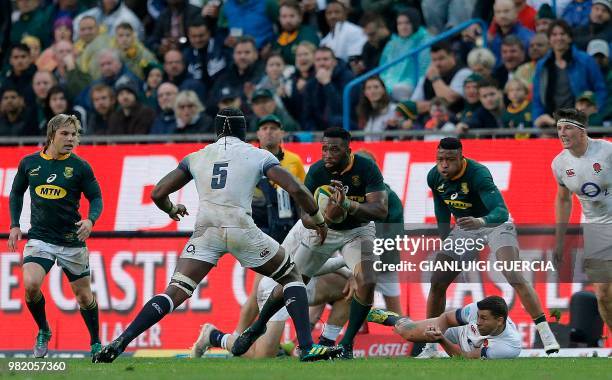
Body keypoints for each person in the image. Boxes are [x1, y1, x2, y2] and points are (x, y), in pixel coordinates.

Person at [93, 108, 338, 363]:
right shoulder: (257, 155)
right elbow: (295, 188)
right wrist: (318, 219)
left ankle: (121, 341)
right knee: (291, 276)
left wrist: (171, 209)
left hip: (206, 230)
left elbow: (157, 192)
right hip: (241, 228)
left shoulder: (197, 156)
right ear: (245, 131)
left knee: (175, 291)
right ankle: (308, 347)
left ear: (217, 130)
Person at [233, 127, 388, 360]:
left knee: (367, 280)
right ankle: (258, 326)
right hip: (324, 231)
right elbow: (304, 215)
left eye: (334, 149)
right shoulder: (316, 171)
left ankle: (346, 345)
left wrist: (349, 206)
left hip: (358, 230)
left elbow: (380, 210)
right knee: (292, 282)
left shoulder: (366, 168)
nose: (327, 154)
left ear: (348, 150)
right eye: (324, 148)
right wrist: (319, 222)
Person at [417, 137, 560, 358]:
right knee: (437, 282)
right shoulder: (433, 176)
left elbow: (501, 211)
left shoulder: (478, 173)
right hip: (465, 228)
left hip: (493, 223)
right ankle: (430, 346)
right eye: (440, 159)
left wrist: (481, 221)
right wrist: (447, 239)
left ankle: (545, 332)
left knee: (512, 272)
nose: (444, 165)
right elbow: (441, 210)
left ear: (461, 158)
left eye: (450, 159)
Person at [7, 114, 103, 357]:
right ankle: (44, 330)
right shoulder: (29, 163)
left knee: (83, 297)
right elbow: (17, 192)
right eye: (65, 134)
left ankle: (95, 343)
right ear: (51, 135)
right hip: (40, 238)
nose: (71, 139)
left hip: (72, 240)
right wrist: (15, 224)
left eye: (74, 135)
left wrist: (91, 220)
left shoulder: (81, 167)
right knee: (30, 285)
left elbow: (96, 198)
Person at [552, 108, 612, 330]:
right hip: (596, 230)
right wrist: (559, 241)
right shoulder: (559, 164)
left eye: (567, 127)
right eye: (558, 128)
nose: (562, 133)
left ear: (582, 131)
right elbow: (563, 200)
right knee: (604, 294)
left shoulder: (607, 152)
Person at [368, 296, 522, 359]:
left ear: (500, 320)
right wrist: (434, 335)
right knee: (408, 333)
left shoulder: (509, 346)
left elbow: (464, 357)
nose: (478, 321)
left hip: (466, 346)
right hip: (458, 330)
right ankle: (386, 316)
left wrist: (441, 340)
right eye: (478, 316)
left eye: (484, 318)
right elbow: (447, 318)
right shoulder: (475, 310)